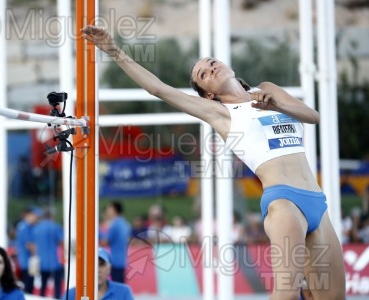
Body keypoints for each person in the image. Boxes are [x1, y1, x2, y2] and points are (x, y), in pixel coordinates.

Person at [81, 25, 345, 299]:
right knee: (287, 294)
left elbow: (312, 115)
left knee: (333, 296)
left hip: (317, 201)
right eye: (203, 75)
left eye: (212, 63)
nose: (211, 68)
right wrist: (113, 49)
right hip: (285, 202)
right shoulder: (220, 113)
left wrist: (277, 105)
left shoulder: (267, 90)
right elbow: (158, 89)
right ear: (207, 93)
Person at [60, 248, 134, 300]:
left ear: (109, 268)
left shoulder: (123, 292)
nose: (97, 270)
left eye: (101, 264)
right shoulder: (71, 295)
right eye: (92, 265)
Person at [33, 208, 64, 298]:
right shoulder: (55, 226)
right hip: (54, 261)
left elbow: (33, 243)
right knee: (57, 285)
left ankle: (41, 298)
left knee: (43, 285)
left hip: (42, 261)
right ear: (51, 216)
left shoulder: (37, 228)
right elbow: (61, 241)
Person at [99, 201, 131, 283]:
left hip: (116, 261)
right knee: (120, 285)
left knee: (117, 286)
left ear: (114, 210)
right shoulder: (125, 224)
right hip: (123, 260)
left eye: (109, 208)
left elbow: (104, 242)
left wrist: (97, 231)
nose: (107, 211)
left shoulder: (115, 225)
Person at [15, 206, 42, 294]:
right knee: (28, 284)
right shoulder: (24, 227)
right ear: (29, 215)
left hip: (29, 260)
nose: (37, 219)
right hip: (27, 261)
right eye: (36, 216)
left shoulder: (29, 227)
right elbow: (29, 245)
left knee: (30, 283)